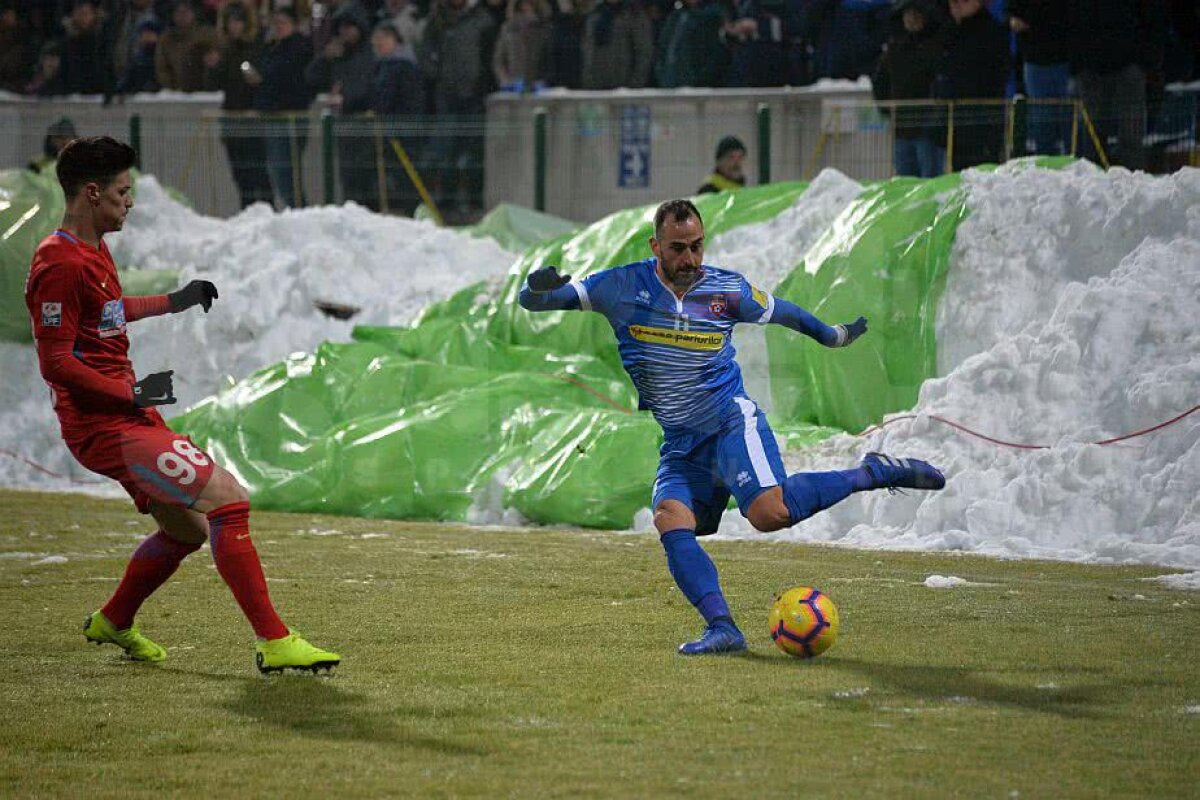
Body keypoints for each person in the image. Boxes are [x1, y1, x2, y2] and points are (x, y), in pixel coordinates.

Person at [518, 199, 946, 654]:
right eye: (678, 248)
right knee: (671, 520)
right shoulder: (621, 286)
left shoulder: (726, 290)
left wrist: (833, 336)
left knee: (769, 515)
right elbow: (538, 302)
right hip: (682, 441)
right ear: (655, 246)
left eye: (697, 247)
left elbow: (785, 313)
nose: (690, 259)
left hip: (729, 422)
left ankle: (872, 472)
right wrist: (534, 288)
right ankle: (723, 628)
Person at [24, 136, 340, 674]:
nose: (131, 202)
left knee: (187, 530)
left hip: (125, 414)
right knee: (227, 497)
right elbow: (57, 362)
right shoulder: (58, 263)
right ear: (93, 192)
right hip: (104, 426)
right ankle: (274, 640)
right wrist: (131, 393)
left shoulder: (92, 251)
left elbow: (107, 311)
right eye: (124, 192)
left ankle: (114, 620)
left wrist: (175, 300)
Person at [872, 0, 949, 177]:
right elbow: (880, 81)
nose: (911, 19)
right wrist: (884, 108)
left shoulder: (935, 46)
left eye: (916, 14)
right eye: (907, 14)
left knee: (929, 180)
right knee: (905, 181)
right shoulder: (894, 48)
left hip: (927, 129)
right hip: (903, 127)